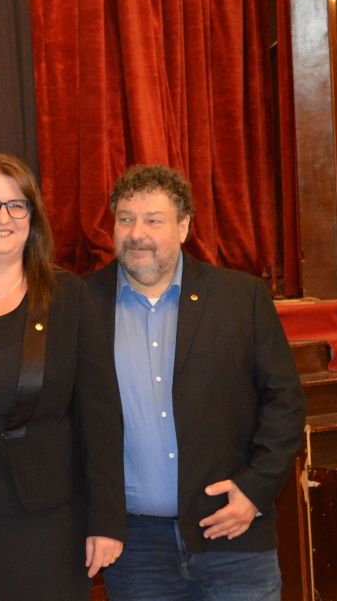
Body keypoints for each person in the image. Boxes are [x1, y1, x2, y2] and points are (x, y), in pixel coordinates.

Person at [85, 164, 306, 601]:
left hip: (233, 533)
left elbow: (285, 404)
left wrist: (254, 491)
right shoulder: (81, 304)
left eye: (153, 220)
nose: (136, 234)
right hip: (135, 549)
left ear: (184, 226)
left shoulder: (241, 298)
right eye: (126, 219)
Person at [0, 153, 126, 600]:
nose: (2, 217)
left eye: (17, 205)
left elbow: (101, 418)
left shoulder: (70, 297)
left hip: (54, 522)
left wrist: (107, 520)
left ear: (33, 218)